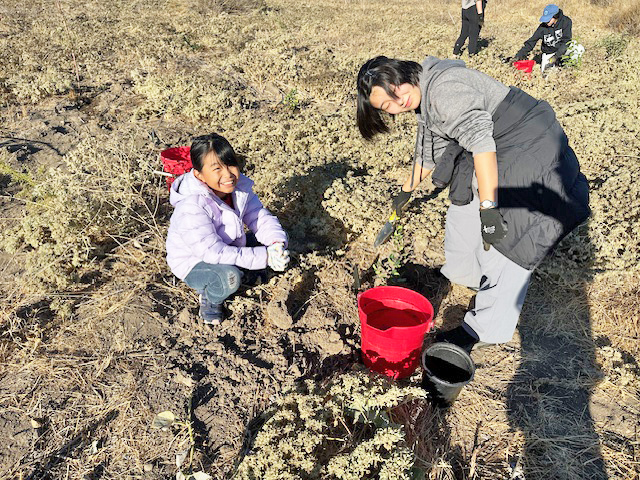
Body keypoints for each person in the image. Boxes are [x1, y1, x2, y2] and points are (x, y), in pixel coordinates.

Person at [356, 56, 590, 352]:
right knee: (463, 208)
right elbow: (430, 150)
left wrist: (490, 209)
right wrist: (405, 192)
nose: (397, 100)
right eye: (386, 105)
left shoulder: (443, 92)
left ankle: (481, 330)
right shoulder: (424, 95)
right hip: (496, 146)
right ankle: (468, 276)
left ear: (404, 74)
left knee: (507, 237)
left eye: (395, 89)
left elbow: (481, 146)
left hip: (528, 144)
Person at [166, 133, 290, 325]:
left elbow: (258, 216)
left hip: (228, 243)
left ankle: (245, 269)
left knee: (275, 236)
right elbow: (212, 252)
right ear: (199, 174)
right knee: (229, 277)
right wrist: (264, 257)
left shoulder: (238, 188)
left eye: (230, 164)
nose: (228, 175)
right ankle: (210, 299)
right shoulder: (191, 206)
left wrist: (275, 244)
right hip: (196, 261)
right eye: (216, 168)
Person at [513, 4, 572, 70]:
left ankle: (569, 67)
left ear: (555, 17)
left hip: (562, 49)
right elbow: (531, 42)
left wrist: (556, 57)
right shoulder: (542, 28)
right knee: (546, 75)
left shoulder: (566, 21)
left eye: (548, 20)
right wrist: (517, 57)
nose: (546, 22)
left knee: (579, 49)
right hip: (549, 53)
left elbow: (566, 41)